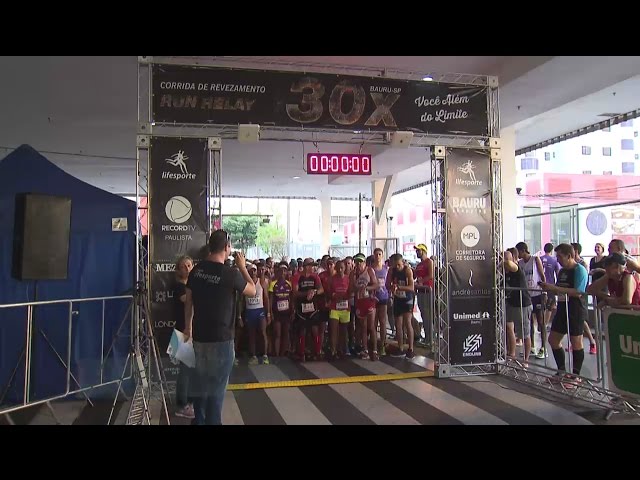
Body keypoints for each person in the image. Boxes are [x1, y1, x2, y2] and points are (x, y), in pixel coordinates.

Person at [183, 230, 256, 425]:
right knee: (216, 392)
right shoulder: (231, 273)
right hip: (222, 340)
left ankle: (199, 421)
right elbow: (253, 290)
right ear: (226, 248)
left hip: (199, 339)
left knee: (200, 388)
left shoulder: (195, 272)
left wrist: (188, 330)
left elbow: (188, 303)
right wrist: (242, 267)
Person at [538, 243, 588, 385]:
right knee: (553, 339)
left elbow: (578, 292)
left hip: (576, 309)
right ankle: (561, 371)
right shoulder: (561, 272)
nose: (558, 259)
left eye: (560, 256)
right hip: (562, 307)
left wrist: (554, 288)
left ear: (569, 256)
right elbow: (560, 289)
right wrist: (549, 290)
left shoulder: (580, 270)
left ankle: (576, 375)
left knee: (576, 342)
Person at [516, 242, 546, 359]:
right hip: (527, 296)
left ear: (523, 250)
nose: (517, 254)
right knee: (528, 322)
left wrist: (544, 291)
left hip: (537, 293)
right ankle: (532, 346)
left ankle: (543, 348)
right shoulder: (520, 263)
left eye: (518, 251)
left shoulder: (535, 259)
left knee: (541, 321)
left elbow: (542, 275)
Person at [173, 255, 195, 419]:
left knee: (190, 369)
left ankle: (189, 401)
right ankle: (182, 405)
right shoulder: (178, 286)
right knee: (185, 371)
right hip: (181, 332)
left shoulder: (193, 285)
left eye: (189, 265)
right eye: (183, 266)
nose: (187, 268)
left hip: (191, 331)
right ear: (178, 269)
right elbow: (186, 299)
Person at [503, 249, 532, 362]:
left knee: (524, 333)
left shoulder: (516, 269)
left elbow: (510, 264)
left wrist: (503, 261)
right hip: (511, 303)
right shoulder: (504, 272)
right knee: (508, 327)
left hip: (522, 304)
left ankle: (526, 360)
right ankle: (512, 353)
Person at [293, 258, 324, 361]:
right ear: (306, 266)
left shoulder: (315, 277)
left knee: (315, 329)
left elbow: (321, 289)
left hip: (313, 307)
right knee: (302, 330)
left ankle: (317, 351)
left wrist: (314, 291)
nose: (313, 268)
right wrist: (306, 293)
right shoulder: (298, 277)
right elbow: (295, 292)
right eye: (311, 265)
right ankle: (301, 353)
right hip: (301, 307)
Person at [387, 253, 415, 359]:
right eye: (395, 265)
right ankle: (400, 347)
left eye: (399, 265)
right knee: (398, 324)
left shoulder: (407, 270)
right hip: (398, 298)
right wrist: (392, 287)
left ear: (402, 262)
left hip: (407, 298)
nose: (397, 267)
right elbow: (387, 284)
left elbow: (411, 287)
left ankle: (411, 348)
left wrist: (398, 287)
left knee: (407, 322)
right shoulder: (391, 270)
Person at [351, 253, 379, 360]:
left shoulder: (369, 271)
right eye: (356, 262)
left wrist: (367, 288)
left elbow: (376, 284)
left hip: (369, 301)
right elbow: (351, 289)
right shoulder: (353, 273)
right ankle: (365, 349)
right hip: (359, 301)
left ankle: (375, 350)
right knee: (363, 326)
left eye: (360, 262)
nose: (358, 264)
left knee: (371, 326)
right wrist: (356, 288)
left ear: (364, 262)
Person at [242, 263, 271, 365]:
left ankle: (265, 355)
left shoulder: (262, 282)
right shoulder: (245, 283)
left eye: (254, 270)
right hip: (250, 311)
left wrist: (268, 313)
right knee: (252, 334)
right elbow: (241, 301)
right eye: (251, 270)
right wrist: (240, 315)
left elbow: (266, 298)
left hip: (260, 310)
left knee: (263, 333)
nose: (253, 272)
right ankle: (253, 356)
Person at [269, 261, 294, 357]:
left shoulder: (289, 284)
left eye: (285, 271)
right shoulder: (273, 284)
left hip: (287, 312)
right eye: (281, 271)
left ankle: (283, 353)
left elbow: (291, 299)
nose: (283, 273)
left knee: (286, 332)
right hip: (277, 312)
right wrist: (270, 312)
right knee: (277, 333)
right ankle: (277, 353)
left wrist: (292, 310)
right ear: (278, 272)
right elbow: (271, 299)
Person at [327, 260, 351, 359]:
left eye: (342, 268)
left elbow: (350, 292)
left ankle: (342, 350)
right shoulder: (332, 279)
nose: (340, 270)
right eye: (338, 268)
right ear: (336, 269)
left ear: (345, 268)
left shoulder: (348, 279)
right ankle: (333, 351)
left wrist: (345, 296)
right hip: (334, 308)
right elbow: (328, 292)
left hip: (345, 308)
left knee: (344, 331)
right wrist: (334, 296)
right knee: (333, 330)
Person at [413, 244, 434, 348]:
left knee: (427, 315)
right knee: (423, 315)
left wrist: (422, 282)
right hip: (420, 291)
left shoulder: (429, 262)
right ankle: (427, 337)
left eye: (418, 251)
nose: (417, 253)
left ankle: (430, 339)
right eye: (416, 251)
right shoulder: (419, 264)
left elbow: (431, 275)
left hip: (427, 291)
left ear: (423, 251)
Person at [372, 248, 390, 356]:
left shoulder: (386, 269)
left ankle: (382, 344)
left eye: (380, 254)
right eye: (376, 254)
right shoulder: (371, 269)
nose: (378, 256)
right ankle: (374, 346)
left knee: (383, 322)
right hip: (373, 299)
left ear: (382, 256)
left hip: (384, 297)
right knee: (373, 323)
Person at [540, 243, 561, 330]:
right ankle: (544, 324)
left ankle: (540, 323)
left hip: (539, 285)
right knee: (549, 306)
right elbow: (558, 272)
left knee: (540, 306)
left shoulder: (539, 259)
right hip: (550, 285)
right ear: (552, 250)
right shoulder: (554, 260)